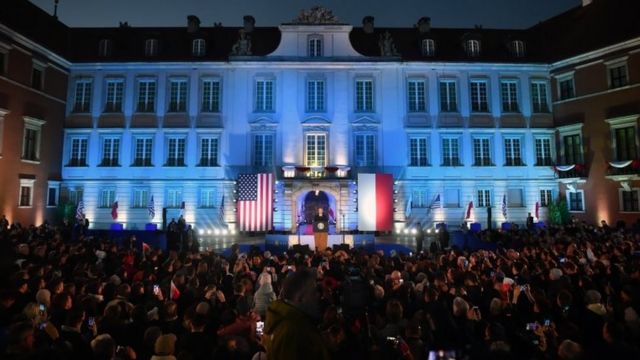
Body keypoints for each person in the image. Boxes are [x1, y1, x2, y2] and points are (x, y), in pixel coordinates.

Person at [263, 269, 330, 360]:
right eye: (313, 292)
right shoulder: (294, 331)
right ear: (301, 298)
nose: (318, 296)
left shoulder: (287, 321)